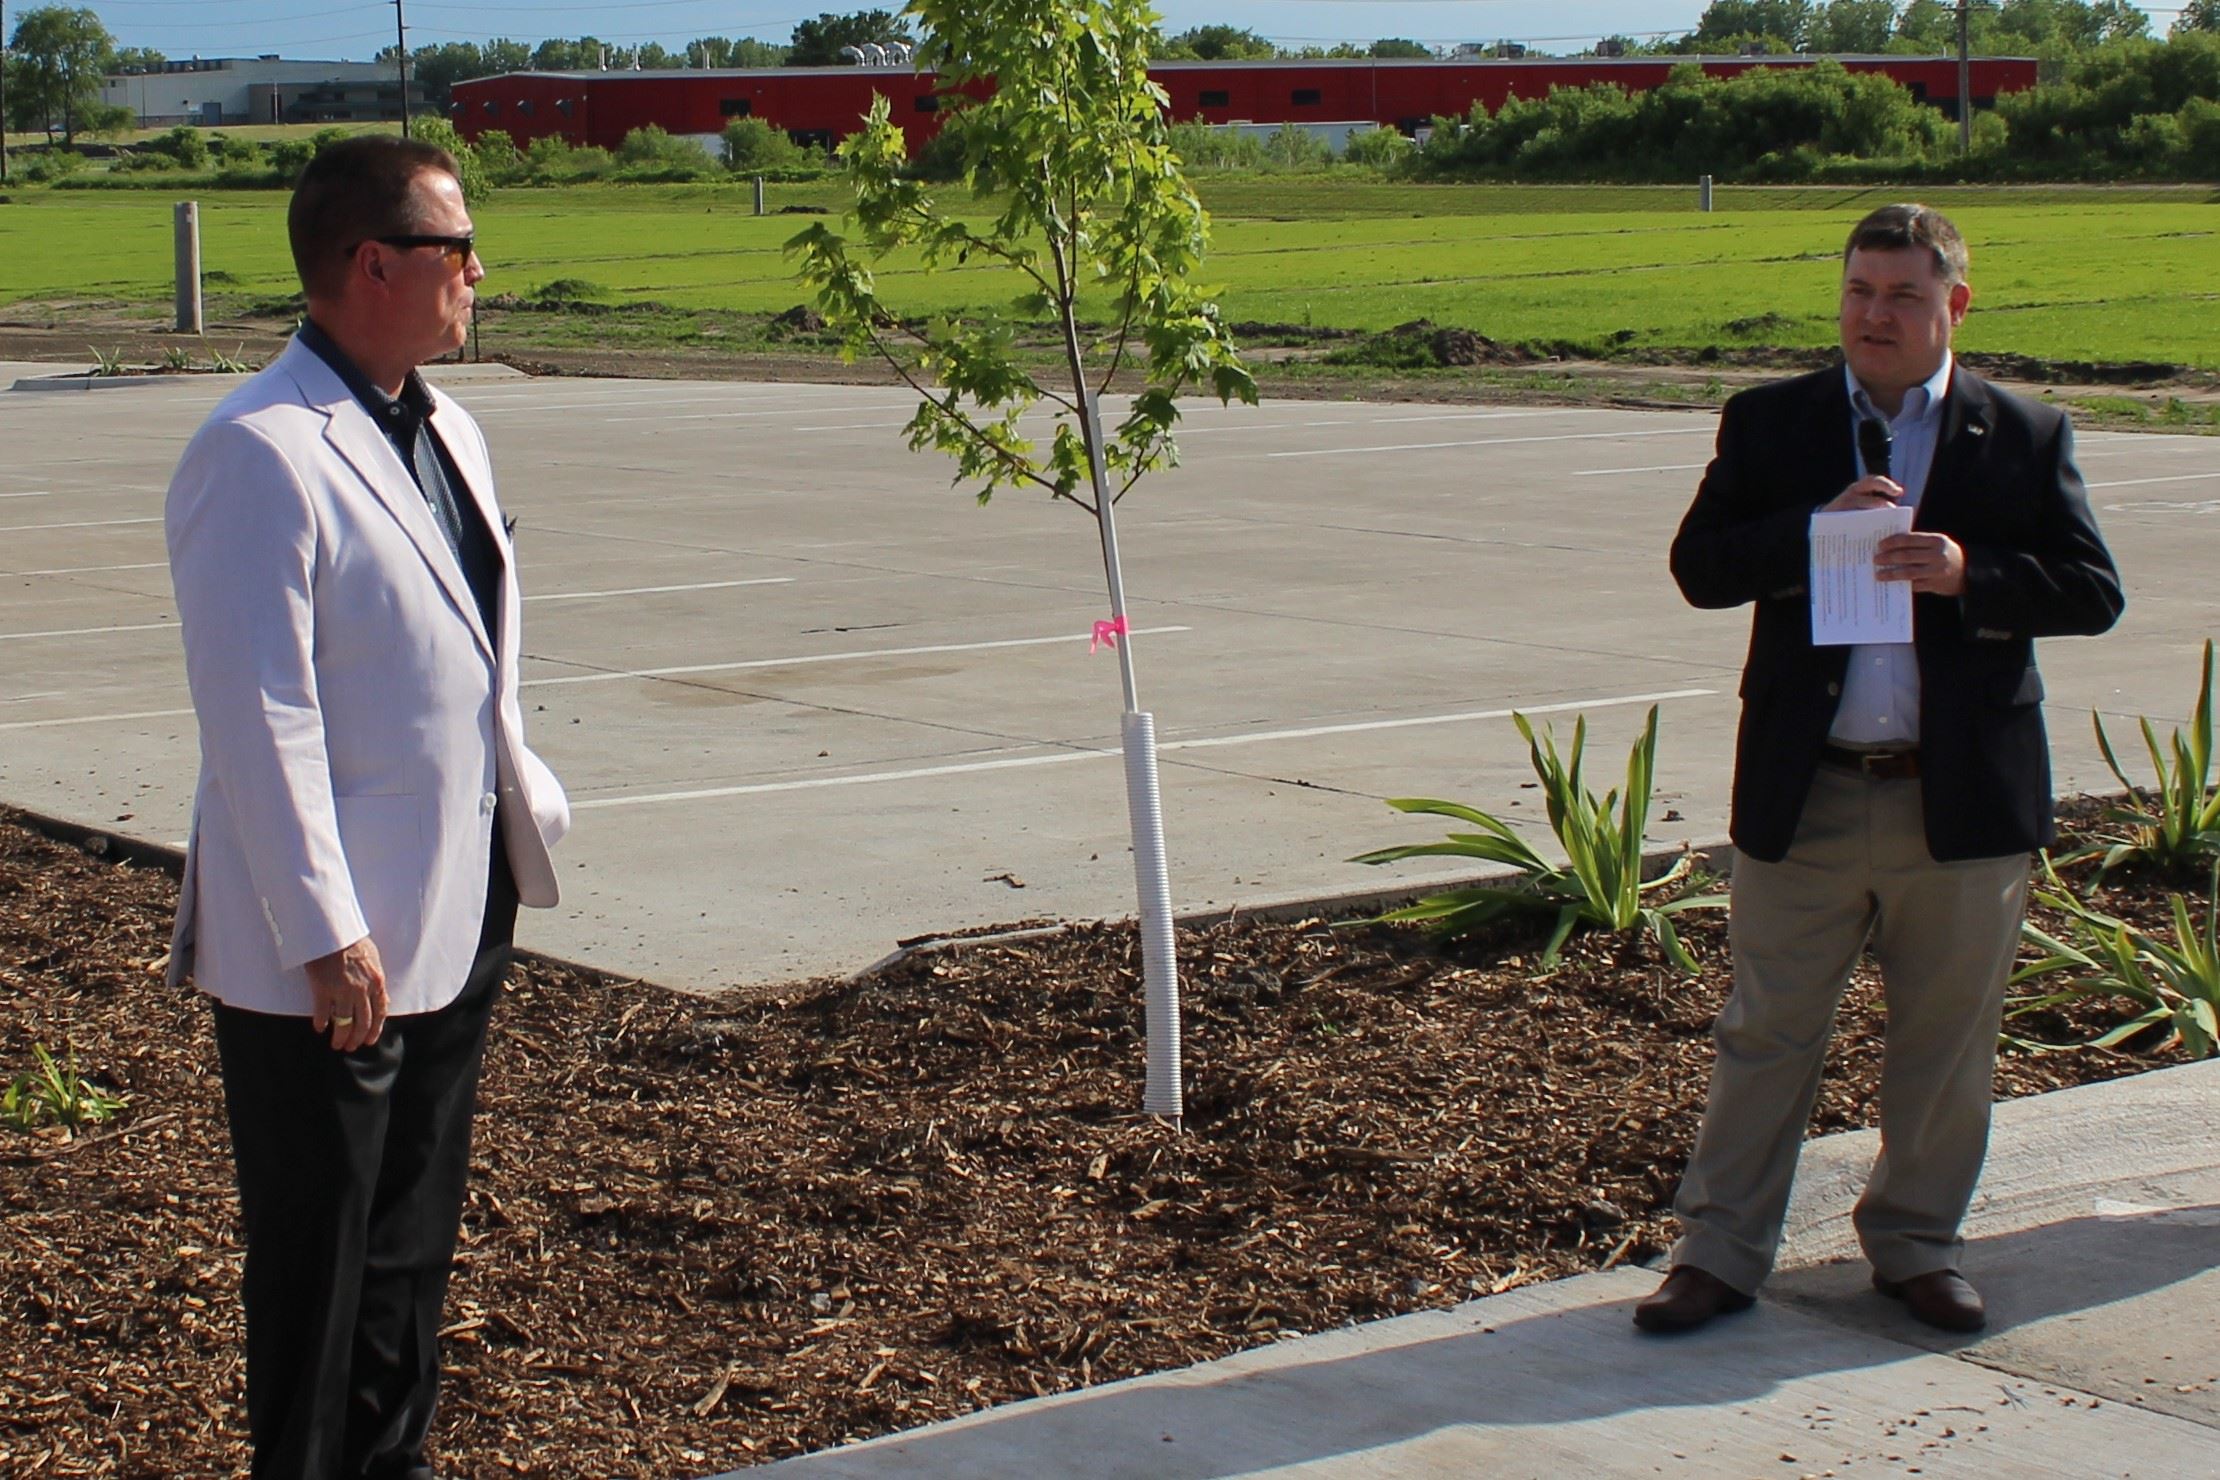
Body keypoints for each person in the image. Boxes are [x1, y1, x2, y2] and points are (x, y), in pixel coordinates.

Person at [1639, 203, 2122, 1337]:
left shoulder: (2026, 433)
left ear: (1955, 303)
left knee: (1945, 1043)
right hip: (1808, 791)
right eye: (1860, 291)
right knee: (1765, 1031)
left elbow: (2093, 592)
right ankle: (1718, 1251)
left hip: (1956, 801)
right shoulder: (1774, 424)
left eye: (1903, 295)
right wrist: (1813, 531)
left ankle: (1915, 1245)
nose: (1875, 315)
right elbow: (1701, 569)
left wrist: (1971, 573)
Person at [164, 135, 570, 1475]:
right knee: (318, 1270)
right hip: (329, 954)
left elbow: (471, 643)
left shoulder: (449, 424)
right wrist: (326, 930)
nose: (479, 276)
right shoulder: (260, 451)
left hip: (456, 909)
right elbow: (258, 715)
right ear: (373, 264)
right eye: (459, 251)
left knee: (407, 1261)